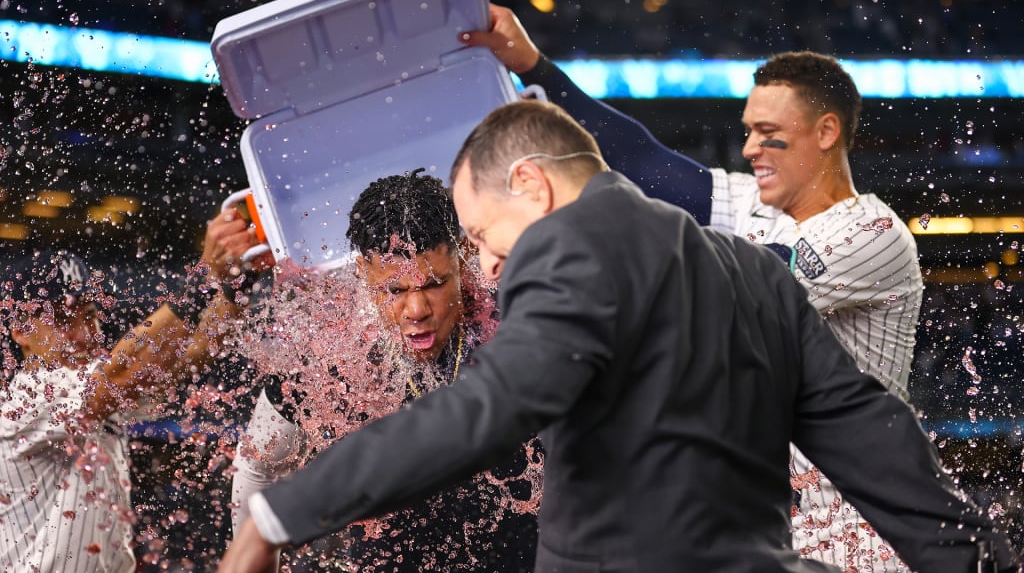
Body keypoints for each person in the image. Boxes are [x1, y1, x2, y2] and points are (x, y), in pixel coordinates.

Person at [217, 100, 1019, 573]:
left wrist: (280, 516)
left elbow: (485, 411)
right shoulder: (753, 272)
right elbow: (878, 441)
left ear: (530, 183)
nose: (488, 262)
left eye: (483, 234)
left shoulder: (569, 253)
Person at [461, 7, 924, 571]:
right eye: (749, 130)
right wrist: (535, 66)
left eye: (770, 135)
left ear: (826, 132)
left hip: (855, 534)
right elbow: (642, 161)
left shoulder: (873, 233)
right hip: (762, 525)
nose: (751, 148)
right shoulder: (754, 203)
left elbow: (734, 282)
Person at [230, 169, 539, 572]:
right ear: (363, 273)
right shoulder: (329, 353)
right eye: (394, 291)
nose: (416, 311)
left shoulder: (518, 322)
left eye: (433, 284)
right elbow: (258, 462)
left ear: (463, 255)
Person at [0, 209, 255, 572]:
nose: (83, 334)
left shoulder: (92, 390)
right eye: (62, 319)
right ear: (22, 329)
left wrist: (238, 280)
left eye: (87, 314)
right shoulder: (24, 400)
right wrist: (202, 277)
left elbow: (198, 349)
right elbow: (117, 376)